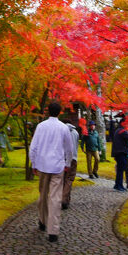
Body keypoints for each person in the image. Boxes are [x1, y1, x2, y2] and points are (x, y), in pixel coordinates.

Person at [29, 100, 74, 243]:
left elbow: (33, 147)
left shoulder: (41, 126)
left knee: (43, 194)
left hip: (42, 165)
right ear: (60, 112)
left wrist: (34, 164)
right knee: (55, 197)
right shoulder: (63, 128)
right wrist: (67, 163)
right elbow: (69, 148)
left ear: (48, 111)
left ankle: (42, 221)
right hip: (57, 165)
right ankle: (53, 230)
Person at [61, 122, 79, 209]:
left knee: (62, 179)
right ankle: (65, 199)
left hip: (62, 157)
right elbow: (76, 146)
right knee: (69, 179)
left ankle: (64, 199)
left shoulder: (61, 131)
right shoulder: (75, 133)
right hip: (73, 158)